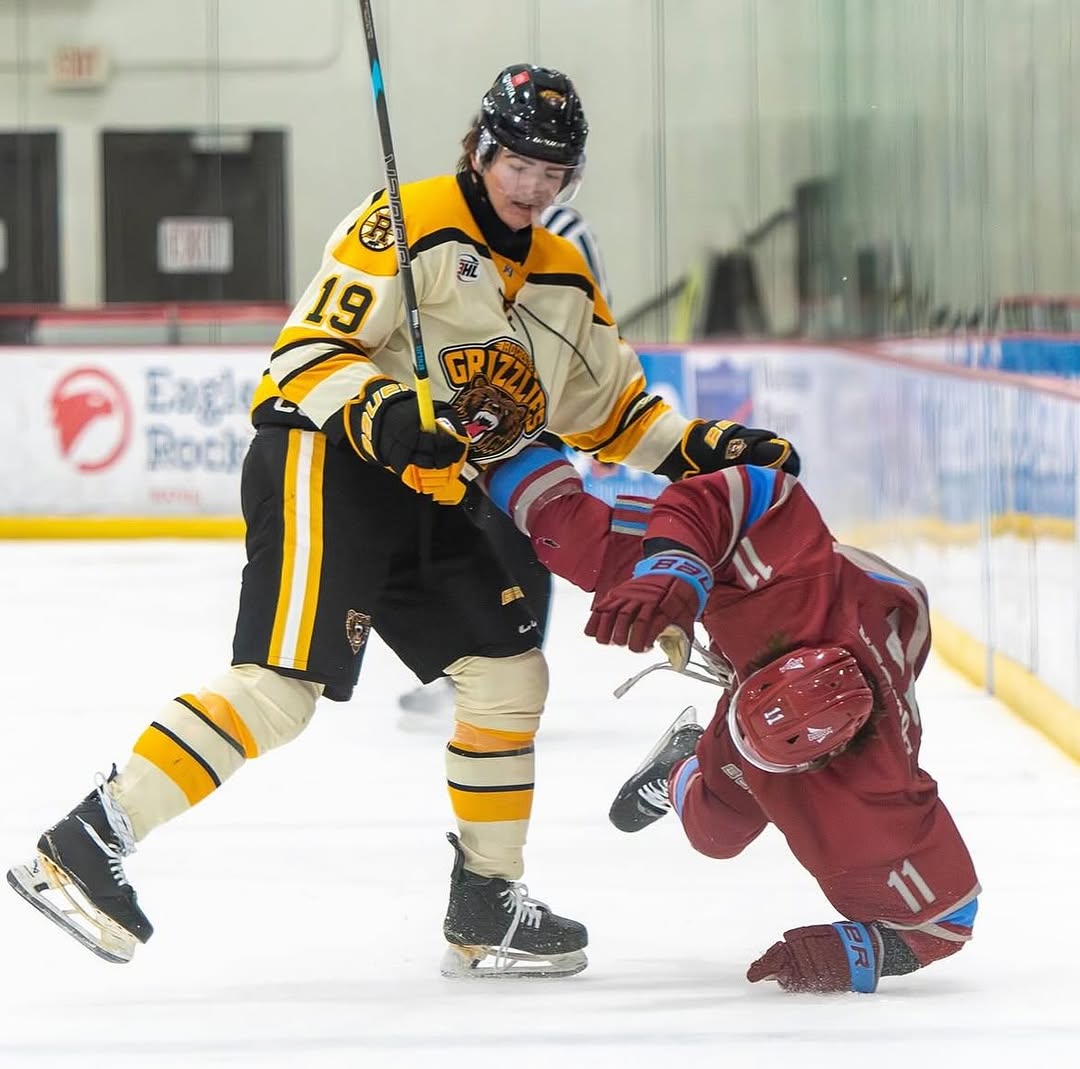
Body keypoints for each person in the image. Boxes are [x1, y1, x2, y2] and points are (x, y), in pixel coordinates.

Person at [6, 64, 798, 979]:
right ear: (482, 150)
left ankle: (486, 898)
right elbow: (305, 353)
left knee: (508, 673)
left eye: (552, 172)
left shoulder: (563, 275)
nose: (532, 186)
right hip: (324, 459)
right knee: (279, 689)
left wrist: (704, 446)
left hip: (429, 491)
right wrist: (382, 411)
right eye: (518, 164)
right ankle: (85, 844)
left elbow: (611, 413)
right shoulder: (406, 220)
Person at [474, 440, 980, 993]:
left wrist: (857, 952)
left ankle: (680, 764)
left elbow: (947, 924)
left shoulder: (871, 792)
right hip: (798, 613)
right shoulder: (794, 587)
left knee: (716, 835)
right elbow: (759, 487)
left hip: (833, 647)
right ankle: (490, 441)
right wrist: (676, 567)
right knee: (583, 544)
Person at [398, 203, 612, 717]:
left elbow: (592, 326)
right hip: (466, 399)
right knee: (462, 532)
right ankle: (469, 666)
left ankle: (514, 670)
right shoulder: (461, 224)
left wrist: (599, 422)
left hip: (531, 408)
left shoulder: (564, 230)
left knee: (516, 537)